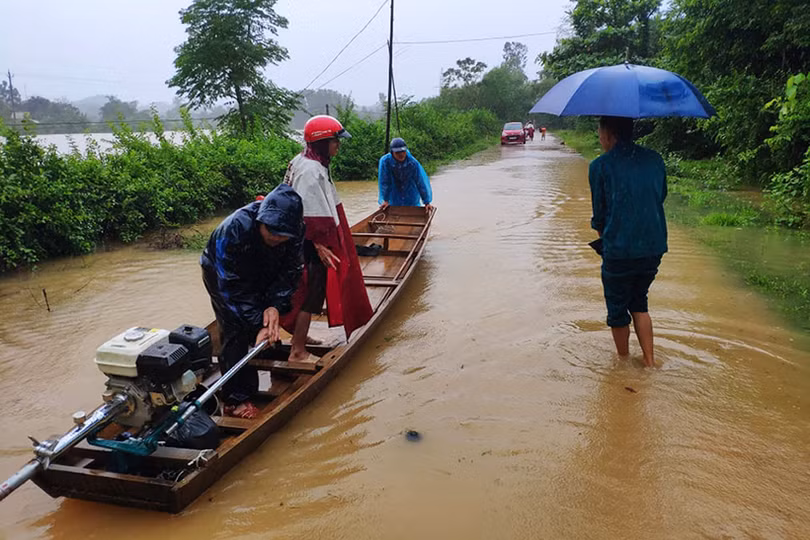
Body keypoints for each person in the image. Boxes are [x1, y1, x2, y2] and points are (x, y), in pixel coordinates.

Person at [201, 184, 305, 419]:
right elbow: (232, 289)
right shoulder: (234, 229)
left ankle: (274, 362)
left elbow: (291, 270)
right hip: (222, 273)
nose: (277, 237)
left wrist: (274, 305)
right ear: (261, 220)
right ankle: (235, 398)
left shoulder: (296, 230)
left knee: (271, 317)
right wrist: (258, 323)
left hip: (264, 267)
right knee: (234, 326)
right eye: (272, 231)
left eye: (283, 234)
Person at [284, 115, 373, 362]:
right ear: (322, 142)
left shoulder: (306, 161)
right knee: (311, 293)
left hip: (303, 239)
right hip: (310, 242)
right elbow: (308, 212)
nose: (338, 145)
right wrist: (319, 244)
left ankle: (300, 338)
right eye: (335, 141)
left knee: (306, 290)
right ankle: (298, 350)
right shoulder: (311, 171)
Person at [589, 116, 667, 367]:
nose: (599, 137)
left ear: (609, 133)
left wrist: (608, 244)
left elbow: (599, 217)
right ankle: (649, 362)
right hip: (653, 247)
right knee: (639, 302)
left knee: (617, 310)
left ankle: (622, 365)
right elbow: (660, 196)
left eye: (600, 132)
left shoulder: (600, 166)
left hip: (619, 250)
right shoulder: (655, 159)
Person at [377, 137, 434, 212]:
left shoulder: (412, 163)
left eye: (403, 151)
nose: (401, 154)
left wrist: (427, 202)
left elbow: (420, 182)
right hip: (394, 189)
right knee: (395, 210)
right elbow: (385, 181)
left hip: (410, 189)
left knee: (411, 209)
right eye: (397, 153)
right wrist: (385, 200)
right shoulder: (385, 162)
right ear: (392, 152)